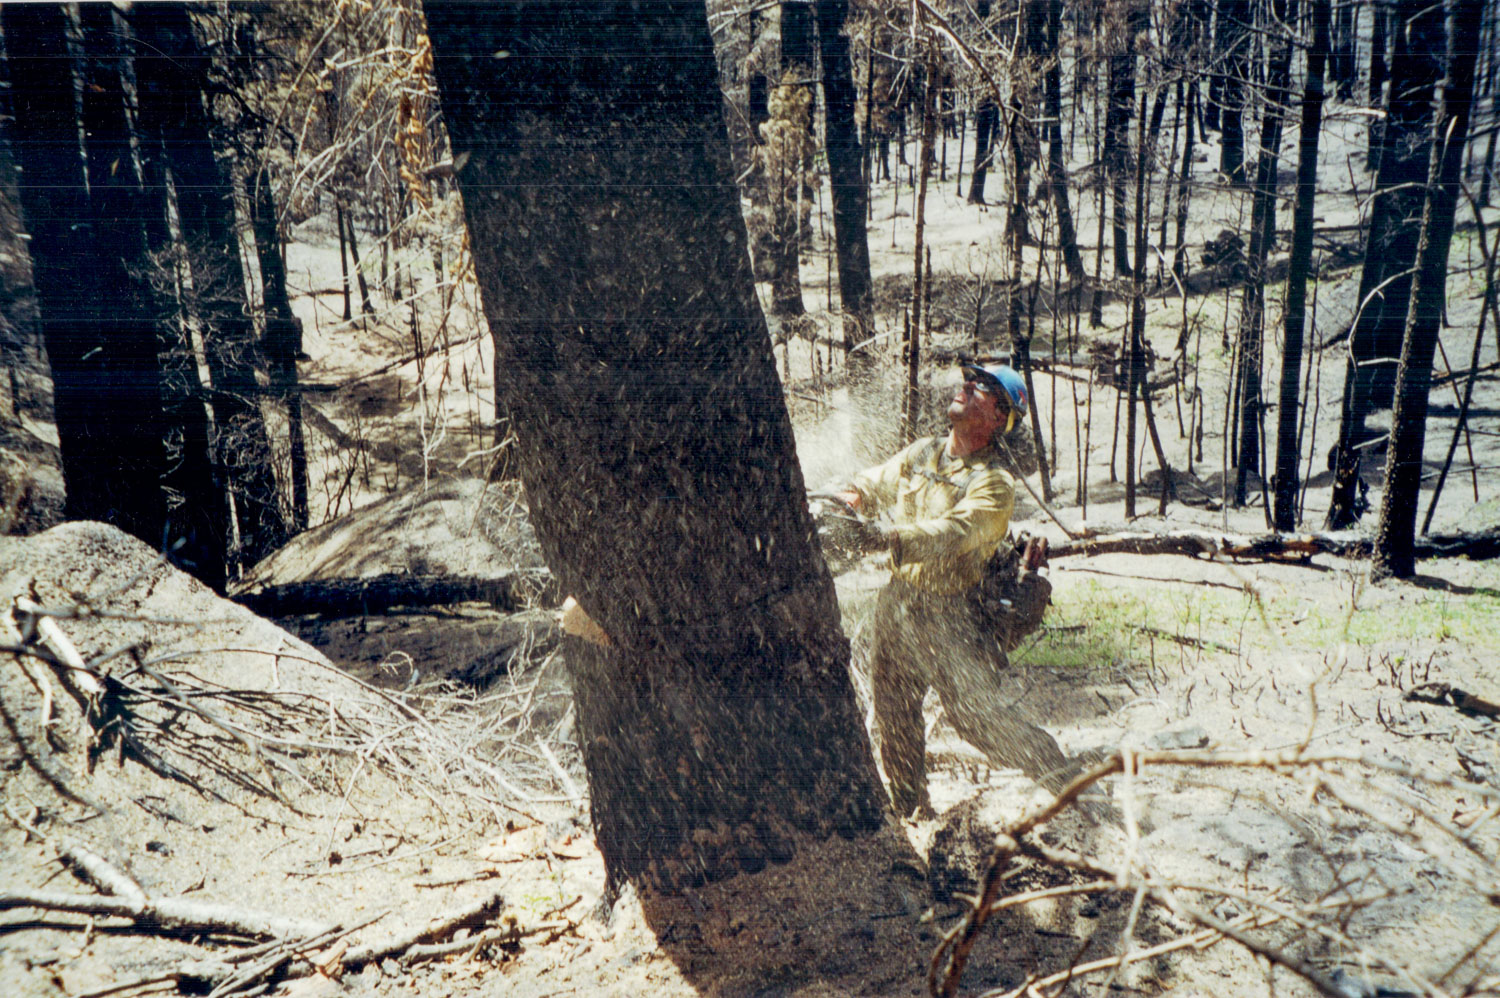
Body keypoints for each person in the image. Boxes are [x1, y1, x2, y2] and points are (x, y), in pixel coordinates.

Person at [836, 363, 1074, 818]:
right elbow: (875, 481)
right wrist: (854, 497)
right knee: (894, 717)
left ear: (999, 418)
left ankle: (1068, 784)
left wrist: (889, 538)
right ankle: (913, 812)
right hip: (899, 602)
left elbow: (956, 532)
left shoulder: (994, 485)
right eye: (970, 380)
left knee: (980, 721)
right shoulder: (924, 453)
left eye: (982, 387)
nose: (968, 386)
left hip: (951, 616)